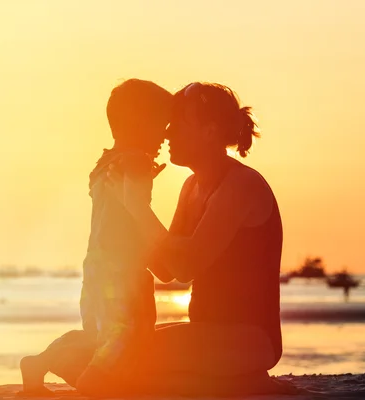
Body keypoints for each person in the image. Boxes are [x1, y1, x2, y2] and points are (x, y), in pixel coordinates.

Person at [104, 82, 285, 396]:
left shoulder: (241, 185)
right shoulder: (191, 187)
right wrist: (126, 209)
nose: (168, 133)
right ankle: (226, 384)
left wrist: (137, 206)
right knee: (117, 350)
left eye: (179, 124)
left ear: (209, 131)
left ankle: (240, 383)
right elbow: (165, 267)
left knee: (130, 364)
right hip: (208, 333)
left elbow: (186, 265)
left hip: (250, 340)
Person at [18, 79, 173, 396]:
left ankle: (39, 363)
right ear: (140, 123)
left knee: (99, 334)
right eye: (162, 124)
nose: (166, 134)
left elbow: (112, 212)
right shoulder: (137, 162)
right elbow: (136, 216)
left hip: (96, 269)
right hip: (125, 272)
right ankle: (95, 379)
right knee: (132, 336)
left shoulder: (103, 166)